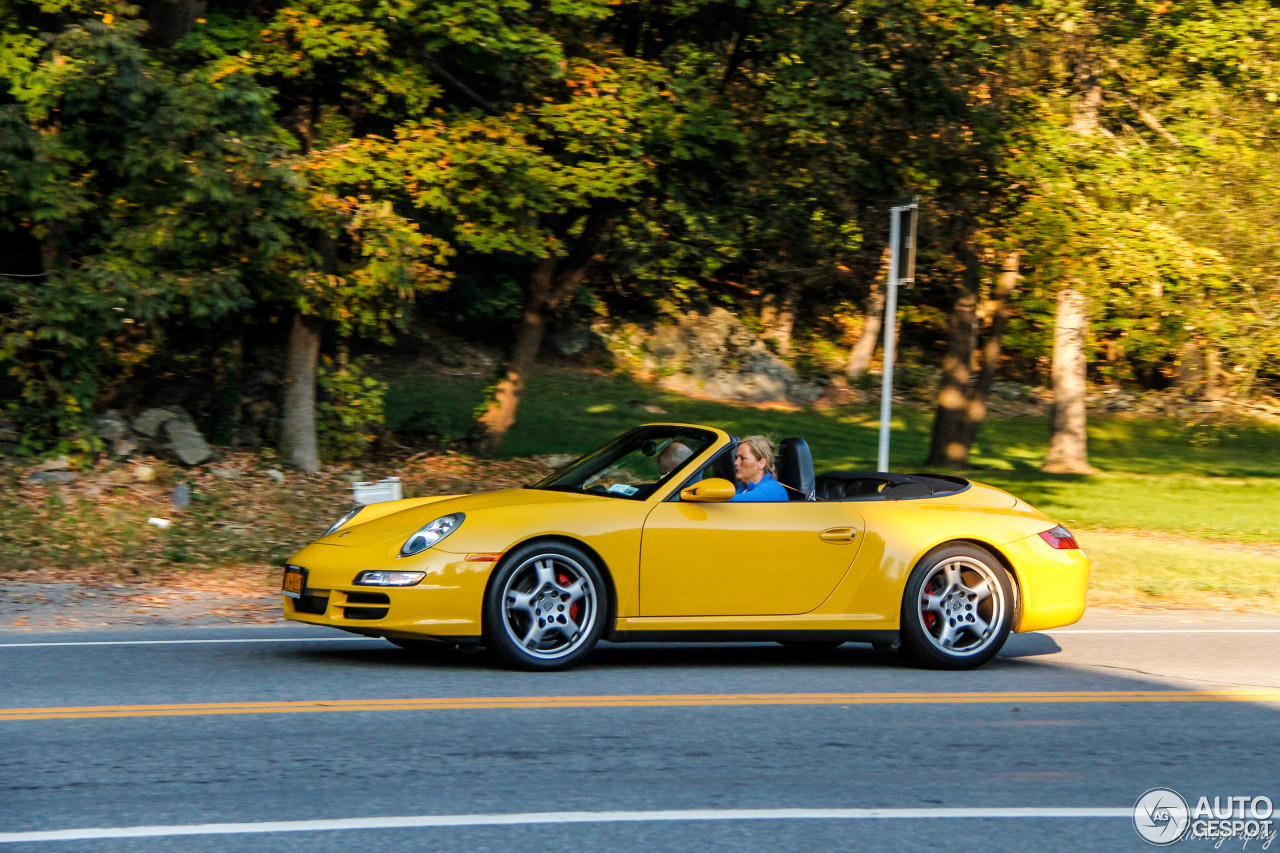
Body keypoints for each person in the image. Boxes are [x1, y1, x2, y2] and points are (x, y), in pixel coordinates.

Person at [729, 435, 787, 502]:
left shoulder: (772, 489)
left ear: (761, 464)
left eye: (742, 458)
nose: (736, 463)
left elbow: (731, 502)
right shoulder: (744, 488)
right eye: (736, 458)